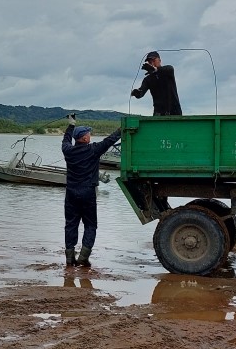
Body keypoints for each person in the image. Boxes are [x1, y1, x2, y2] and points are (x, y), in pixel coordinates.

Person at [62, 116, 121, 267]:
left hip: (71, 192)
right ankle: (83, 257)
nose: (90, 135)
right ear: (84, 137)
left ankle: (69, 258)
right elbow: (109, 141)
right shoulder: (93, 150)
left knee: (71, 224)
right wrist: (121, 130)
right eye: (89, 133)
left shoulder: (68, 151)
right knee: (90, 225)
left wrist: (70, 126)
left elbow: (66, 140)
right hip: (88, 192)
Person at [131, 50, 182, 116]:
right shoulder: (147, 79)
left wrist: (156, 70)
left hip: (175, 112)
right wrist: (136, 93)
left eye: (154, 60)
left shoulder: (168, 72)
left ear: (159, 60)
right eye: (149, 61)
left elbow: (170, 68)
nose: (152, 63)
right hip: (158, 114)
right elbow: (141, 93)